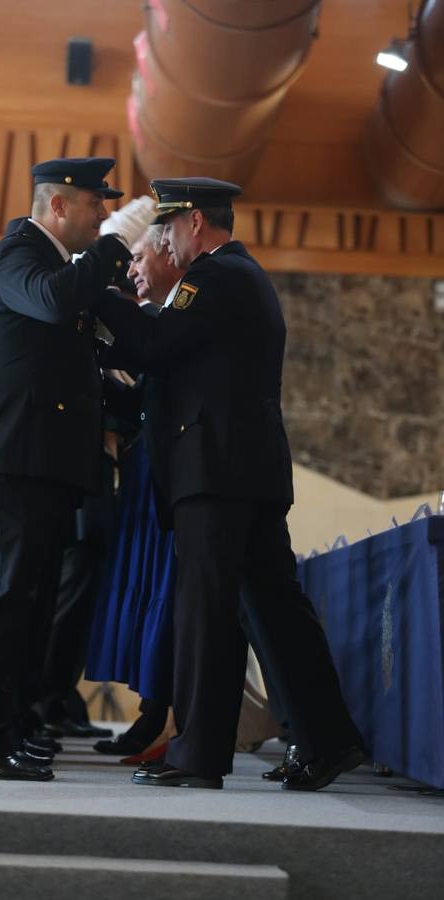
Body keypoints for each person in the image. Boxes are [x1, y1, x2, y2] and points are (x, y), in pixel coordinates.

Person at [94, 177, 365, 791]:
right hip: (238, 470)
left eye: (166, 229)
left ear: (193, 222)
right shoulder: (230, 279)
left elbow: (156, 345)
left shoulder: (216, 277)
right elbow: (169, 373)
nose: (162, 239)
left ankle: (200, 754)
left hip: (219, 473)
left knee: (208, 614)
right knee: (272, 612)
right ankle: (326, 739)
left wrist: (97, 296)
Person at [0, 157, 131, 781]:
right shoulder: (17, 254)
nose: (102, 213)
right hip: (9, 458)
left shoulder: (53, 265)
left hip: (42, 463)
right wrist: (108, 255)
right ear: (57, 206)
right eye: (93, 203)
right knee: (2, 603)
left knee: (28, 607)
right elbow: (53, 306)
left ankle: (10, 731)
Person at [88, 225, 185, 758]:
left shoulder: (175, 316)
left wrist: (99, 295)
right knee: (145, 588)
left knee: (163, 591)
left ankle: (161, 715)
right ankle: (152, 709)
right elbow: (144, 405)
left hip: (168, 477)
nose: (133, 270)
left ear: (170, 256)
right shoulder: (160, 316)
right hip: (147, 470)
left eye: (140, 259)